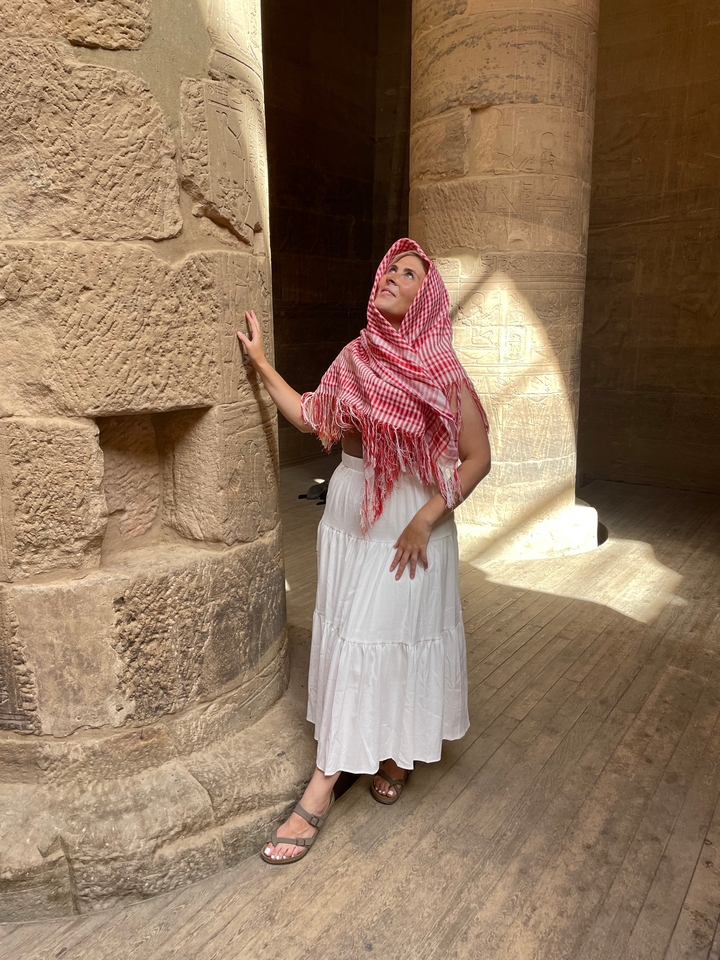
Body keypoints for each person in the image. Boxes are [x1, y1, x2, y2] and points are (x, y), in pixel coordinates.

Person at [237, 238, 491, 864]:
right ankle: (385, 755)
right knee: (356, 631)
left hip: (412, 520)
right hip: (354, 507)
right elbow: (308, 417)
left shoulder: (444, 373)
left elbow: (478, 458)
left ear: (425, 297)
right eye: (389, 268)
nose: (392, 277)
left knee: (390, 633)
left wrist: (427, 519)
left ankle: (328, 785)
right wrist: (262, 363)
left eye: (409, 274)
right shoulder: (357, 357)